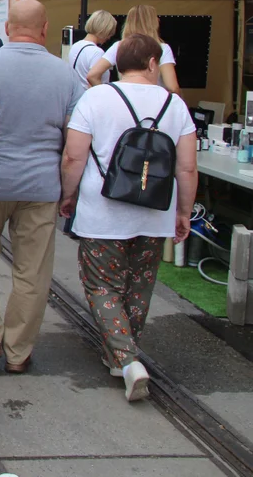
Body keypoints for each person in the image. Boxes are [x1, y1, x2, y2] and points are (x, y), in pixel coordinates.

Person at [59, 33, 197, 402]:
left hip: (102, 211)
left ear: (117, 63)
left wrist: (68, 196)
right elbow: (186, 169)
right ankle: (118, 356)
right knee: (139, 286)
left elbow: (74, 157)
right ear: (153, 63)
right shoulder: (175, 105)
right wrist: (183, 211)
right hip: (154, 213)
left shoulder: (96, 97)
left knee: (103, 285)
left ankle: (127, 359)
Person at [0, 0, 84, 373]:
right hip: (40, 185)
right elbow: (73, 147)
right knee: (32, 271)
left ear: (7, 28)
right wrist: (67, 192)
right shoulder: (66, 75)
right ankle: (18, 351)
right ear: (45, 28)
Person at [87, 5, 180, 94]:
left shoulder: (119, 46)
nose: (158, 20)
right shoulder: (162, 48)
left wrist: (109, 96)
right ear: (151, 23)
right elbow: (173, 87)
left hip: (125, 104)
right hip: (154, 105)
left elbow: (93, 75)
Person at [68, 10, 117, 89]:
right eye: (110, 33)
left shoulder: (75, 46)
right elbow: (93, 79)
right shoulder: (96, 52)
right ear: (105, 30)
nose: (109, 38)